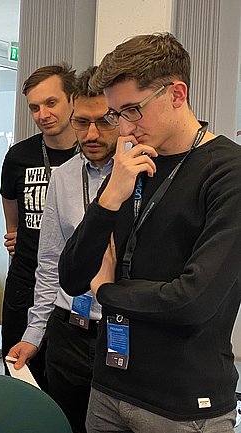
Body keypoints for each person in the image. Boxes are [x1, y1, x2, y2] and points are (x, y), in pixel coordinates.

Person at [59, 33, 241, 432]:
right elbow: (72, 277)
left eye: (133, 110)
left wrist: (107, 291)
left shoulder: (228, 172)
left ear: (177, 94)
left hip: (183, 403)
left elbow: (191, 301)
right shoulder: (131, 165)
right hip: (109, 388)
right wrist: (110, 197)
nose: (124, 127)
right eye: (116, 114)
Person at [8, 66, 117, 433]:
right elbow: (49, 262)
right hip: (68, 331)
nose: (91, 134)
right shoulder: (64, 176)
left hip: (118, 332)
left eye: (104, 122)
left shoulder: (140, 173)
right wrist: (33, 334)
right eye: (82, 122)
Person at [0, 63, 78, 384]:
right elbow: (11, 211)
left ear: (72, 99)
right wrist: (15, 235)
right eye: (34, 107)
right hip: (25, 281)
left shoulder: (92, 155)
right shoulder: (19, 156)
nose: (43, 114)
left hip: (74, 286)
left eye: (51, 103)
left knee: (63, 380)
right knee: (19, 376)